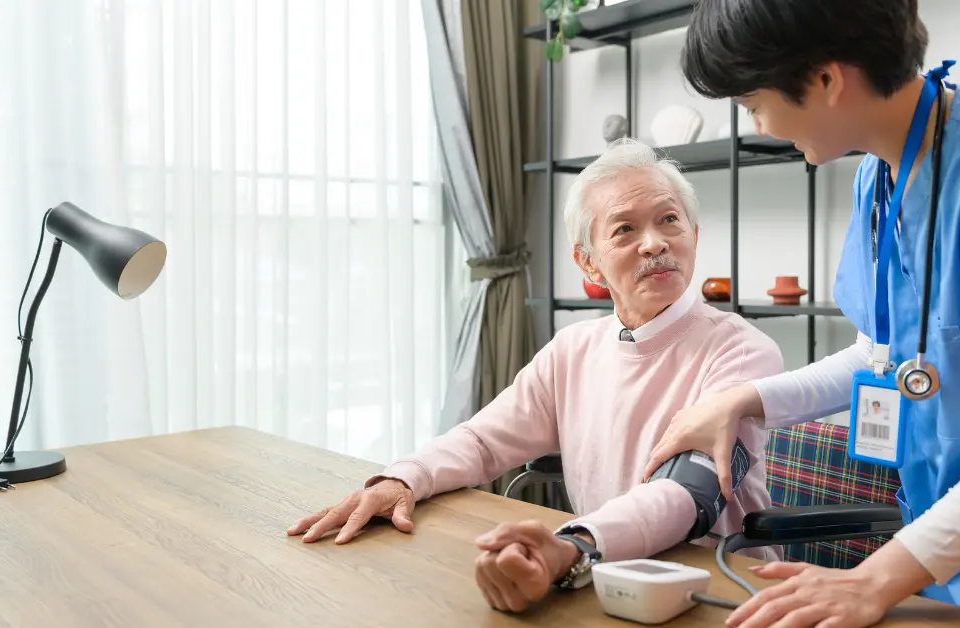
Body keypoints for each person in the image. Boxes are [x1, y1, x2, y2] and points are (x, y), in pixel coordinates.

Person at [642, 1, 960, 626]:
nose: (759, 124)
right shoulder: (881, 174)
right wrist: (744, 400)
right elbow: (887, 354)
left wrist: (870, 581)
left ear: (825, 79)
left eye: (752, 101)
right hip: (952, 562)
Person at [287, 138, 786, 612]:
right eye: (624, 229)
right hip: (605, 575)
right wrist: (403, 478)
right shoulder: (574, 348)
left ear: (694, 236)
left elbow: (686, 497)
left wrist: (571, 547)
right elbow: (484, 441)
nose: (654, 243)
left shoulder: (743, 351)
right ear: (587, 262)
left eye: (669, 220)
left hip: (721, 588)